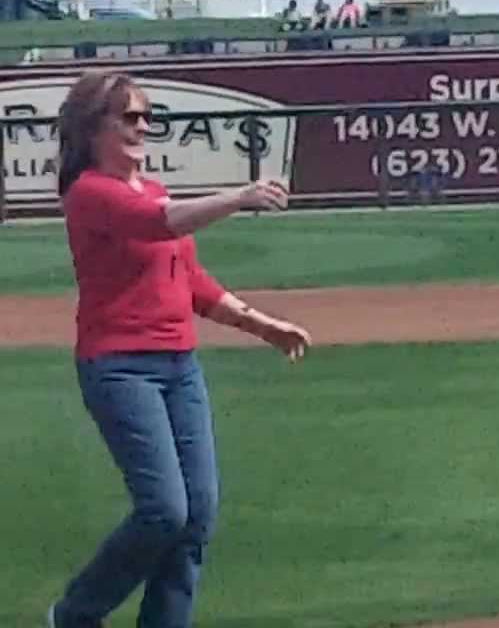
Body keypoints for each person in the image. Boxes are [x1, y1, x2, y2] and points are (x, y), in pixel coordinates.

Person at [46, 71, 313, 628]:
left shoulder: (154, 190)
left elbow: (189, 280)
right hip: (119, 367)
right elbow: (155, 225)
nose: (142, 127)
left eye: (146, 116)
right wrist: (241, 197)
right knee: (164, 510)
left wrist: (263, 325)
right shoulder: (90, 193)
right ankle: (74, 614)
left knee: (196, 518)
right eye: (129, 116)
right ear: (94, 126)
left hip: (179, 367)